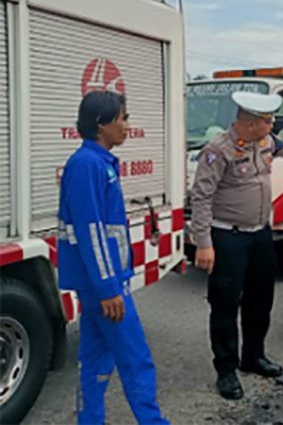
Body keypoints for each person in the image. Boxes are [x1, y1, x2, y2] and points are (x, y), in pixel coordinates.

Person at [189, 91, 283, 400]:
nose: (272, 126)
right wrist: (203, 243)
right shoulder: (218, 152)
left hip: (260, 236)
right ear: (250, 122)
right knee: (225, 305)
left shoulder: (266, 141)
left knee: (260, 300)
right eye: (267, 121)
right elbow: (201, 197)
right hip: (227, 237)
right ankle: (226, 370)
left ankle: (253, 357)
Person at [58, 91, 168, 425]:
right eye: (123, 118)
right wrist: (108, 289)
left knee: (95, 359)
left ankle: (89, 419)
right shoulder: (87, 165)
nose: (127, 125)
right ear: (100, 123)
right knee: (135, 359)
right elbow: (91, 231)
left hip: (102, 281)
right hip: (102, 285)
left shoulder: (98, 162)